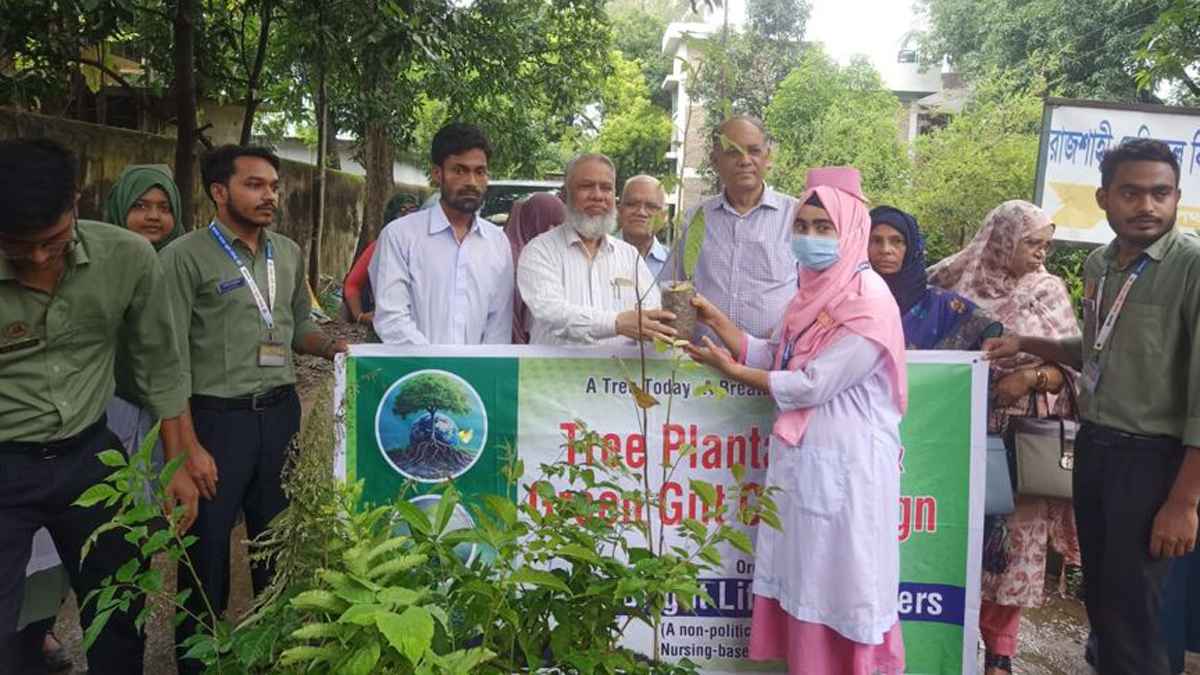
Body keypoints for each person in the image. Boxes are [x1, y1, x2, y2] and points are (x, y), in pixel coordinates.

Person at [985, 138, 1200, 675]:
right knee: (1102, 603)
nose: (1146, 206)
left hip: (1154, 460)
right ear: (1104, 198)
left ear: (1177, 197)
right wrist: (1026, 343)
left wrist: (1185, 500)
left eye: (1160, 193)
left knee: (1138, 613)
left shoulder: (1191, 267)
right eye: (1131, 193)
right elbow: (1098, 349)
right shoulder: (1101, 264)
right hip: (1097, 448)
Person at [685, 168, 908, 675]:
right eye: (802, 226)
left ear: (851, 230)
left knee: (842, 587)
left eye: (823, 227)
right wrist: (716, 319)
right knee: (806, 578)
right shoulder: (812, 293)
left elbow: (810, 383)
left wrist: (733, 370)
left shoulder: (868, 303)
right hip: (807, 464)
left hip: (848, 467)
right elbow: (778, 354)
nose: (809, 238)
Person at [0, 137, 200, 675]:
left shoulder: (125, 258)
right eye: (18, 248)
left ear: (77, 202)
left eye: (53, 241)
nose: (39, 259)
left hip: (93, 459)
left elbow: (160, 362)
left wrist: (180, 462)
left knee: (119, 606)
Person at [161, 144, 347, 674]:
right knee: (207, 548)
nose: (269, 196)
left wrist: (334, 348)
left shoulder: (286, 254)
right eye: (255, 185)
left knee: (274, 541)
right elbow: (168, 358)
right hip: (215, 421)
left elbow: (298, 329)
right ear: (220, 192)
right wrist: (187, 448)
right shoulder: (184, 258)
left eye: (273, 185)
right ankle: (197, 661)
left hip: (281, 413)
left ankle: (272, 654)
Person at [927, 200, 1081, 674]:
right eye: (1032, 242)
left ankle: (1000, 653)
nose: (1041, 253)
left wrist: (1032, 378)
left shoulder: (1047, 290)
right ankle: (945, 643)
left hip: (1022, 443)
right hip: (958, 432)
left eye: (1046, 244)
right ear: (1001, 240)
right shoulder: (951, 287)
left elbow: (1078, 369)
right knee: (956, 539)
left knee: (1013, 552)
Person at [369, 123, 514, 345]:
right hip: (417, 373)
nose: (471, 182)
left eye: (480, 172)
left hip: (478, 376)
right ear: (437, 174)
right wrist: (439, 367)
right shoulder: (400, 236)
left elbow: (499, 324)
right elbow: (392, 319)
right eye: (459, 170)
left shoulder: (497, 242)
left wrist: (481, 372)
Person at [517, 153, 673, 346]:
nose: (598, 196)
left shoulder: (629, 255)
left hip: (619, 376)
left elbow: (652, 317)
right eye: (586, 186)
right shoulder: (539, 251)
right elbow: (551, 312)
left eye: (606, 188)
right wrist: (616, 323)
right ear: (565, 195)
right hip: (556, 375)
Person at [669, 115, 797, 340]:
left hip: (773, 367)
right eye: (733, 152)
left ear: (768, 157)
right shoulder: (694, 220)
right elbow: (674, 285)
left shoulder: (796, 217)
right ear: (714, 160)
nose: (745, 160)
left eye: (754, 151)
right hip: (704, 365)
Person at [868, 205, 1002, 349]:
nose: (886, 250)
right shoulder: (849, 301)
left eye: (897, 241)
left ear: (912, 247)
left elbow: (990, 332)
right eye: (876, 240)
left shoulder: (942, 306)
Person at [340, 192, 421, 327]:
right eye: (403, 212)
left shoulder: (428, 246)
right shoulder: (381, 245)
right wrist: (360, 316)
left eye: (413, 211)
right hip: (387, 327)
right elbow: (352, 284)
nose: (408, 217)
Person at [505, 192, 565, 344]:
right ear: (533, 221)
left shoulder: (552, 257)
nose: (554, 231)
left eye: (560, 225)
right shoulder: (509, 260)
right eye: (551, 223)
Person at [617, 175, 669, 281]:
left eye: (651, 206)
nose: (641, 212)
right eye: (632, 204)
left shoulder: (674, 264)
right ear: (619, 210)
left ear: (664, 216)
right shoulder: (597, 255)